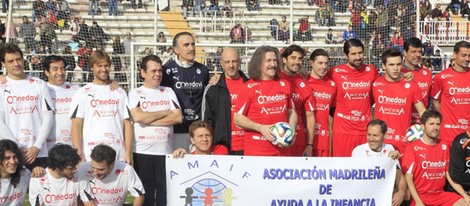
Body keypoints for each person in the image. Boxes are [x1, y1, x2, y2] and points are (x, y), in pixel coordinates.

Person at [128, 55, 182, 206]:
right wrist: (165, 112)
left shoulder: (168, 91)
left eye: (160, 71)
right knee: (146, 196)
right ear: (143, 73)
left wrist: (148, 119)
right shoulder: (135, 93)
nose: (158, 74)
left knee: (165, 195)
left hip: (165, 152)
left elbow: (178, 118)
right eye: (153, 71)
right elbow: (138, 117)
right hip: (142, 151)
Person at [233, 46, 298, 156]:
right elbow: (237, 118)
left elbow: (291, 111)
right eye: (268, 61)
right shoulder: (248, 87)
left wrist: (291, 130)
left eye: (275, 61)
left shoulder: (284, 84)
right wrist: (260, 128)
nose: (273, 64)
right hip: (257, 151)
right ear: (258, 63)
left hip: (282, 152)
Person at [69, 50, 132, 163]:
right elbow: (76, 126)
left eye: (106, 65)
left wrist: (127, 153)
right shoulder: (82, 93)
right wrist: (79, 153)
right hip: (91, 155)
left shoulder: (120, 92)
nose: (103, 69)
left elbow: (127, 124)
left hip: (118, 154)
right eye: (99, 66)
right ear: (92, 67)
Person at [0, 43, 54, 170]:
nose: (16, 63)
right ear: (3, 64)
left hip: (38, 152)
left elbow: (48, 117)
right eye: (11, 61)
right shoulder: (1, 86)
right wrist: (17, 147)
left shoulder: (39, 84)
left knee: (39, 189)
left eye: (18, 59)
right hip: (11, 154)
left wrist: (37, 146)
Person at [402, 110, 470, 206]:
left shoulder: (444, 146)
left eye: (438, 124)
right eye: (431, 124)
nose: (435, 127)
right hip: (421, 196)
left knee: (465, 204)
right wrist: (417, 200)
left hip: (440, 195)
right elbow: (408, 178)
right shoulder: (412, 148)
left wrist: (464, 195)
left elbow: (448, 175)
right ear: (422, 126)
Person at [327, 39, 379, 157]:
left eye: (360, 53)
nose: (358, 57)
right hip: (343, 130)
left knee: (364, 170)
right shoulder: (335, 72)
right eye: (353, 54)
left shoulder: (371, 71)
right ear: (346, 55)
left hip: (365, 129)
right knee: (342, 169)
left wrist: (403, 75)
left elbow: (385, 85)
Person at [372, 48, 426, 154]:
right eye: (391, 65)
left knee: (403, 171)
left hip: (403, 143)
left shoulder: (411, 85)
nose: (396, 68)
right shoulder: (375, 84)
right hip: (380, 144)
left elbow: (422, 112)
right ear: (383, 66)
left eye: (398, 64)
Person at [162, 32, 209, 151]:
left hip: (197, 130)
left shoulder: (203, 70)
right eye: (186, 45)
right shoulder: (166, 71)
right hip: (175, 130)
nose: (191, 48)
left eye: (193, 44)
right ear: (176, 50)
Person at [202, 48, 249, 155]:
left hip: (248, 145)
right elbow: (207, 121)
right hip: (222, 147)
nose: (231, 65)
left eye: (234, 61)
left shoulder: (251, 85)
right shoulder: (213, 88)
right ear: (221, 64)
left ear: (239, 61)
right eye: (227, 62)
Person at [351, 119, 405, 206]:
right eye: (369, 135)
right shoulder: (359, 151)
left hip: (383, 194)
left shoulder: (390, 148)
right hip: (365, 195)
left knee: (405, 195)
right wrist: (386, 161)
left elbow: (400, 177)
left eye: (375, 135)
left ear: (385, 135)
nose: (371, 139)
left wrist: (401, 192)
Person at [430, 40, 470, 146]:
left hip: (468, 133)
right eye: (464, 55)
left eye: (469, 56)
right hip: (448, 134)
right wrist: (446, 119)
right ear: (455, 54)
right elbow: (436, 101)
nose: (467, 59)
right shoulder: (441, 77)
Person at [77, 144, 145, 205]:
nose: (95, 172)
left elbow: (139, 195)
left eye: (101, 169)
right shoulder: (83, 169)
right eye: (93, 167)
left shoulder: (126, 170)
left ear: (112, 164)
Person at [29, 144, 94, 205]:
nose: (75, 170)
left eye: (75, 166)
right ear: (58, 167)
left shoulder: (79, 175)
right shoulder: (38, 179)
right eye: (71, 168)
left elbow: (89, 203)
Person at [280, 45, 316, 156]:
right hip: (277, 137)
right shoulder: (275, 79)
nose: (297, 62)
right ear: (284, 59)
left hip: (298, 139)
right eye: (293, 58)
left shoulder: (304, 85)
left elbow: (310, 116)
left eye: (300, 59)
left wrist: (309, 145)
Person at [43, 55, 80, 150]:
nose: (60, 72)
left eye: (63, 69)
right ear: (47, 72)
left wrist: (110, 83)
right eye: (55, 69)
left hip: (73, 146)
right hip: (48, 147)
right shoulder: (40, 89)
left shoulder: (77, 89)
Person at [307, 49, 336, 157]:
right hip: (305, 138)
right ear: (311, 63)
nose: (324, 67)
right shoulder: (304, 82)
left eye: (326, 63)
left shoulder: (332, 85)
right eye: (320, 63)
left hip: (323, 139)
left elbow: (334, 110)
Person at [402, 37, 433, 125]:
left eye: (419, 52)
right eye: (413, 52)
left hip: (422, 124)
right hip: (402, 124)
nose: (418, 55)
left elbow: (431, 102)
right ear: (405, 53)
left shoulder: (427, 74)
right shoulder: (398, 73)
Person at [0, 139, 31, 205]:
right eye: (7, 158)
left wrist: (37, 170)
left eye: (15, 157)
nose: (13, 162)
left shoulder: (24, 174)